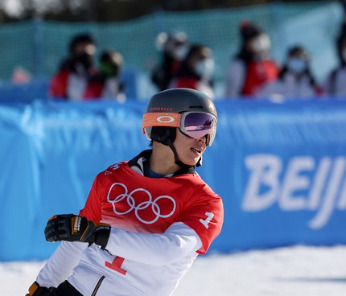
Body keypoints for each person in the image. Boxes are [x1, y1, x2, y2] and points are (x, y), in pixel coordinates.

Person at [26, 88, 224, 296]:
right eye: (196, 124)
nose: (203, 139)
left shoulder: (205, 201)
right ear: (163, 124)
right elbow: (77, 241)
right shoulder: (113, 177)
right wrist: (42, 285)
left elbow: (167, 250)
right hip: (75, 289)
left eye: (210, 130)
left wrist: (95, 233)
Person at [225, 21, 278, 98]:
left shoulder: (272, 63)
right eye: (254, 39)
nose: (260, 41)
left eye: (260, 37)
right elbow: (232, 95)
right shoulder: (239, 65)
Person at [49, 33, 99, 100]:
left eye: (89, 47)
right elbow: (56, 96)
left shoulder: (96, 74)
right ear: (74, 49)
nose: (86, 50)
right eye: (82, 46)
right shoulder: (65, 73)